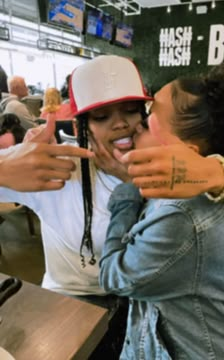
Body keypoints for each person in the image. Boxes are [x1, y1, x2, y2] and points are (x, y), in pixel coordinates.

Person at [0, 55, 152, 358]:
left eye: (130, 110)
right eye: (102, 115)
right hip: (71, 302)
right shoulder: (61, 170)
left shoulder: (161, 167)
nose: (120, 123)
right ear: (83, 124)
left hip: (139, 302)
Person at [99, 66, 224, 359]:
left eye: (147, 121)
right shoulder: (187, 195)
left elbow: (113, 277)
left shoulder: (182, 215)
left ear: (184, 152)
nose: (134, 126)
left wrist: (127, 190)